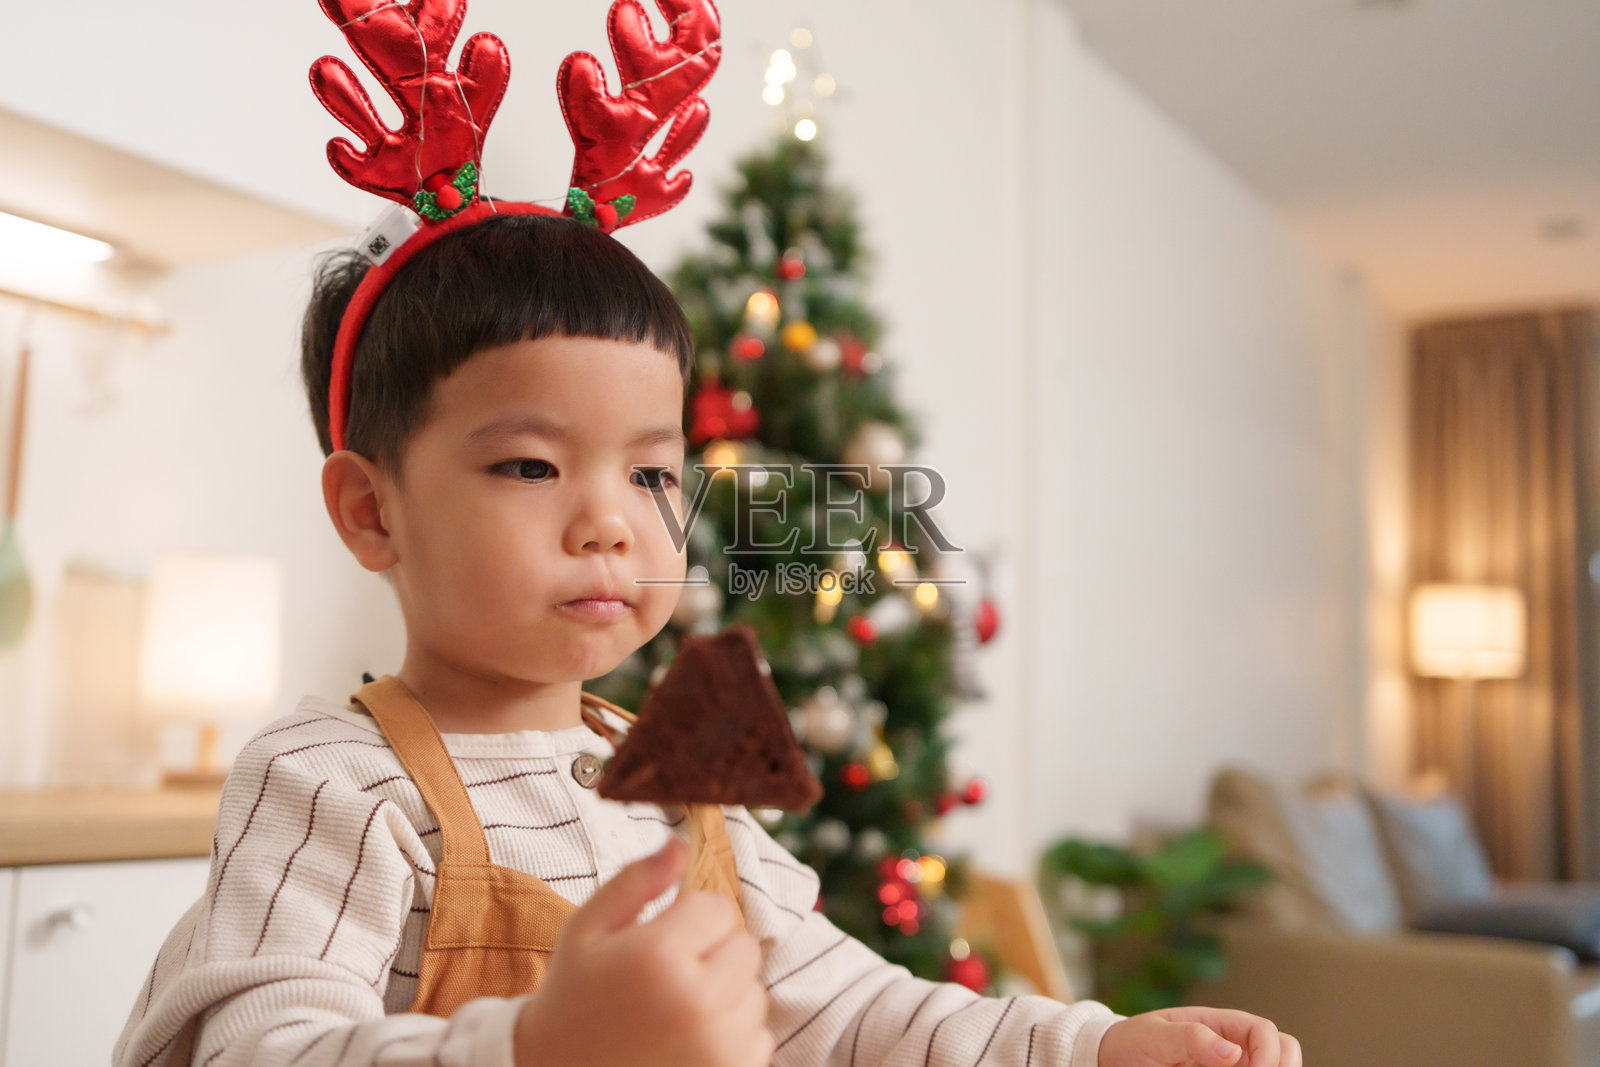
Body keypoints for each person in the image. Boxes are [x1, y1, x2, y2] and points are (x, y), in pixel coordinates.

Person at [112, 210, 1300, 1067]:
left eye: (650, 471)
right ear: (373, 509)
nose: (611, 523)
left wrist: (1093, 1046)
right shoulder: (335, 781)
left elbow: (852, 1010)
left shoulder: (684, 799)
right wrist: (537, 1047)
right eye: (530, 464)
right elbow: (258, 1047)